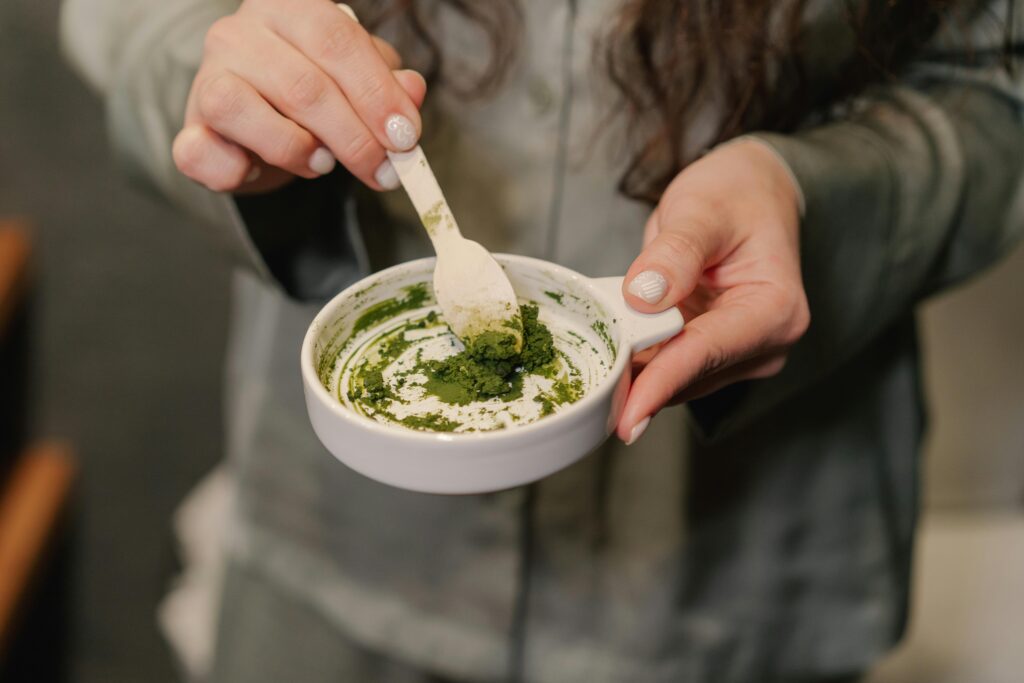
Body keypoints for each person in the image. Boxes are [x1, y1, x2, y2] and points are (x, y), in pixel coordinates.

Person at [61, 0, 1023, 681]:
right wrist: (226, 88)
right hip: (340, 558)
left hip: (734, 587)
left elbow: (997, 81)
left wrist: (809, 192)